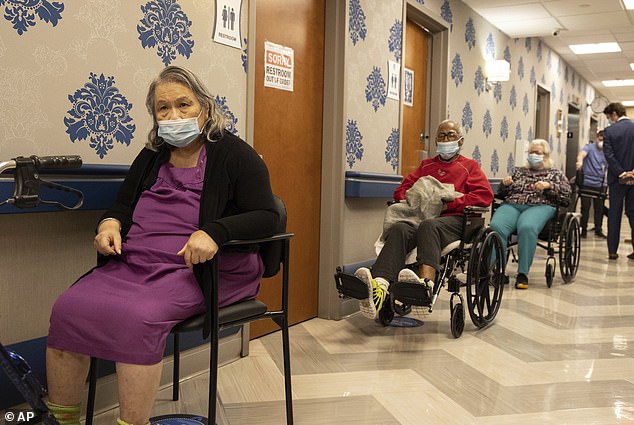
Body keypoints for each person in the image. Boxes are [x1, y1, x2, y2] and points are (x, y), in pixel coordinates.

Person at [45, 66, 279, 425]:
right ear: (154, 116)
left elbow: (267, 215)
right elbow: (122, 205)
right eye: (163, 108)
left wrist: (215, 232)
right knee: (67, 307)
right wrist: (109, 224)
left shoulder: (236, 155)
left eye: (184, 105)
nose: (174, 116)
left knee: (137, 317)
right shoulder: (152, 155)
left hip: (206, 267)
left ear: (204, 106)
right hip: (137, 262)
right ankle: (62, 420)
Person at [354, 119, 494, 319]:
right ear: (435, 140)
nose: (445, 139)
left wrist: (448, 203)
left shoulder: (469, 167)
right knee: (400, 228)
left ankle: (426, 286)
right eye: (441, 136)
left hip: (454, 221)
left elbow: (484, 196)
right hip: (422, 218)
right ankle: (380, 286)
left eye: (451, 135)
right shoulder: (426, 166)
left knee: (429, 226)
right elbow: (401, 190)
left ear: (460, 141)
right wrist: (414, 198)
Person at [489, 139, 571, 289]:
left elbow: (567, 193)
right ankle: (496, 270)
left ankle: (522, 273)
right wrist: (504, 184)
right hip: (513, 204)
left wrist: (549, 185)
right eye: (531, 152)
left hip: (540, 206)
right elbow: (502, 193)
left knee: (526, 227)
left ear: (545, 155)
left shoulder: (555, 173)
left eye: (537, 153)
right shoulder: (519, 171)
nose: (533, 155)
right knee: (496, 226)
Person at [602, 102, 634, 260]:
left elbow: (609, 155)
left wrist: (621, 173)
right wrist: (632, 173)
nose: (610, 121)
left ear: (614, 114)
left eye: (609, 117)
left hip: (616, 180)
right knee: (633, 214)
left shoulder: (609, 131)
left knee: (614, 214)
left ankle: (612, 251)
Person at [575, 129, 607, 238]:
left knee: (599, 208)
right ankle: (583, 229)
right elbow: (581, 154)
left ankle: (598, 229)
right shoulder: (589, 147)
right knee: (585, 207)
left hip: (600, 183)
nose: (601, 142)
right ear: (597, 137)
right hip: (587, 182)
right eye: (600, 139)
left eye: (604, 140)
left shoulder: (607, 150)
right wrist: (580, 161)